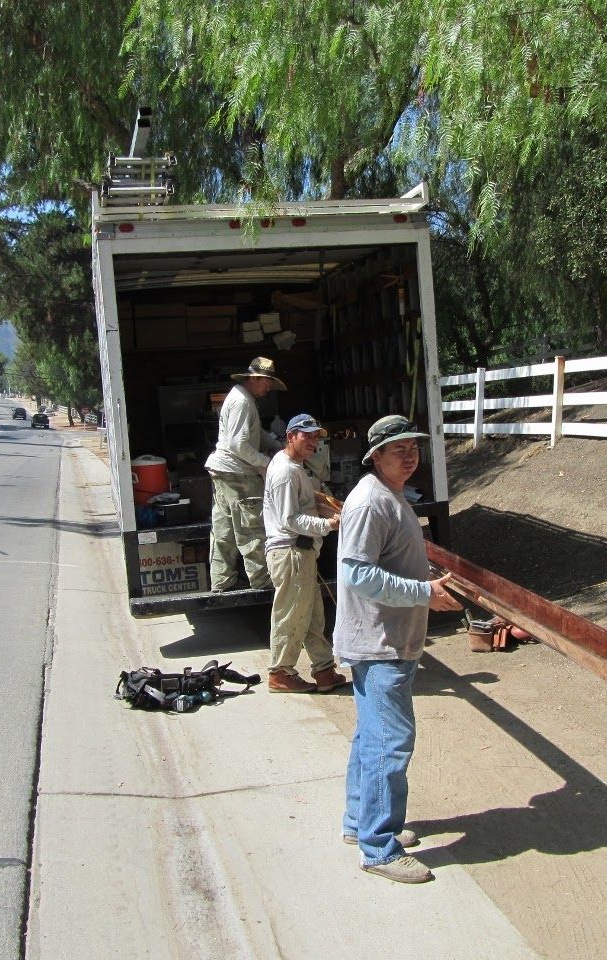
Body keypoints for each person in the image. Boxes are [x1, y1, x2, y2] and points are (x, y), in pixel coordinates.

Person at [334, 414, 462, 883]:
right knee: (390, 744)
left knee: (372, 738)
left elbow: (389, 562)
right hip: (379, 642)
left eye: (413, 448)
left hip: (386, 637)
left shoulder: (392, 495)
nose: (409, 457)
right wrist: (425, 593)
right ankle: (379, 850)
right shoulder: (371, 502)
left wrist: (422, 583)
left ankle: (359, 824)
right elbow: (358, 574)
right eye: (398, 450)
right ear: (376, 457)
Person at [262, 413, 348, 693]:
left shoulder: (294, 466)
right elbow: (290, 519)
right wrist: (328, 524)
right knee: (291, 615)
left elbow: (301, 504)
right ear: (290, 437)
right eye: (306, 435)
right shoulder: (286, 471)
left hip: (300, 553)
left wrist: (322, 502)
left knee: (312, 615)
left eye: (315, 437)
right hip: (291, 553)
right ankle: (280, 673)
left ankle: (324, 671)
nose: (313, 442)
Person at [205, 357, 285, 592]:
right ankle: (262, 580)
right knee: (251, 529)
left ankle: (221, 581)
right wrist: (267, 463)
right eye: (267, 382)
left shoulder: (243, 397)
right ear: (253, 379)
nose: (269, 387)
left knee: (224, 530)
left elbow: (256, 432)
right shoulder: (242, 401)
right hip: (238, 474)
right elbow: (238, 445)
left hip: (223, 473)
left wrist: (277, 446)